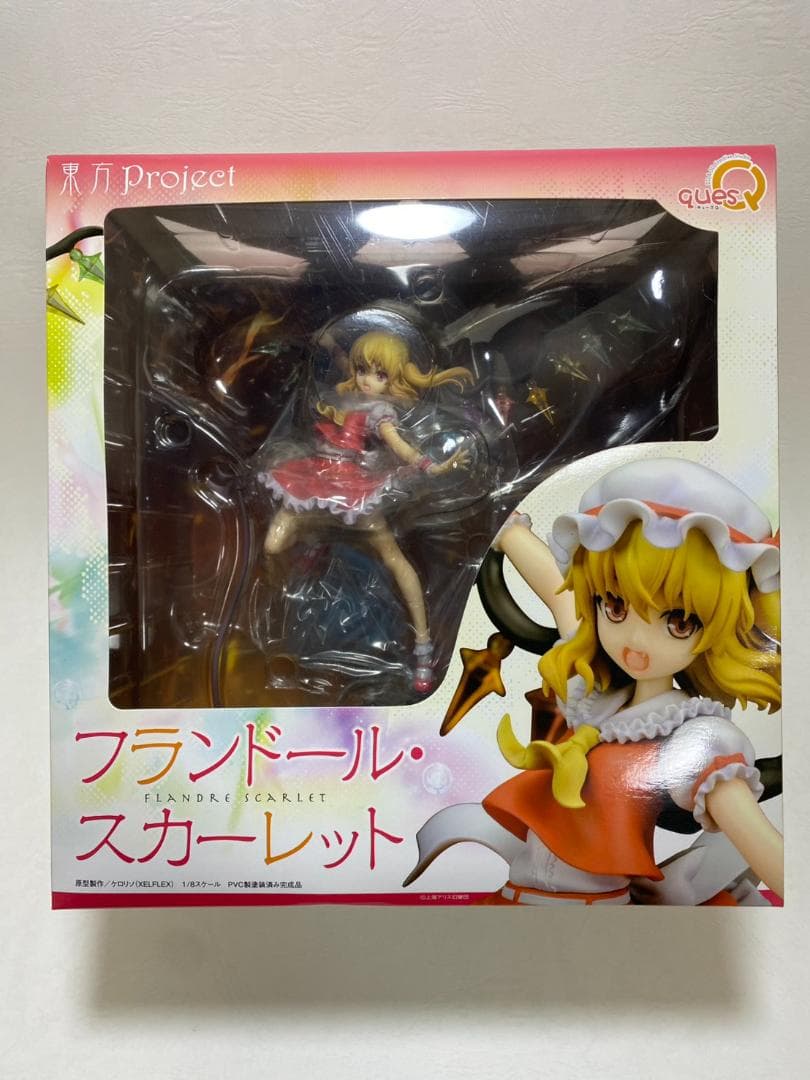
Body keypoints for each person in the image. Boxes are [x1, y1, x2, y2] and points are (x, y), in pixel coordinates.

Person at [406, 458, 783, 903]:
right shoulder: (600, 692)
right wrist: (497, 516)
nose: (636, 640)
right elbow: (559, 594)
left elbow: (762, 845)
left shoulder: (696, 739)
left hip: (594, 919)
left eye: (679, 622)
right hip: (514, 900)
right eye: (615, 606)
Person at [258, 329, 472, 691]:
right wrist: (331, 343)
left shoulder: (380, 412)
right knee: (272, 546)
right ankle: (287, 590)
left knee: (392, 556)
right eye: (363, 370)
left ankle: (422, 645)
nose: (367, 380)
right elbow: (346, 363)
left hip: (352, 487)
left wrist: (430, 466)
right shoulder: (347, 393)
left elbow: (400, 446)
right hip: (316, 478)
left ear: (393, 380)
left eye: (380, 374)